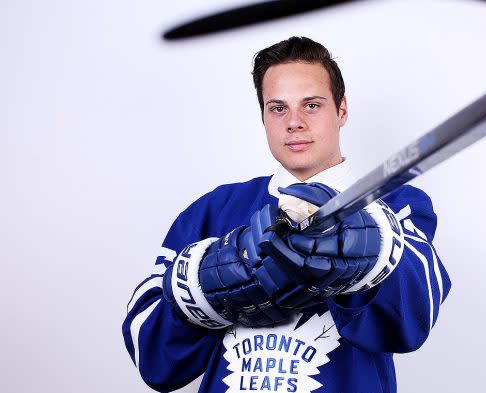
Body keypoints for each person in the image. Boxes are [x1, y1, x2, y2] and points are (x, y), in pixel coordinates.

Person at [123, 36, 451, 393]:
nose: (294, 122)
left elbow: (410, 322)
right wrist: (205, 289)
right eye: (277, 108)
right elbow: (153, 362)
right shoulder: (214, 209)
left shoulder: (394, 204)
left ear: (341, 110)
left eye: (311, 105)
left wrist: (362, 249)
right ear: (263, 115)